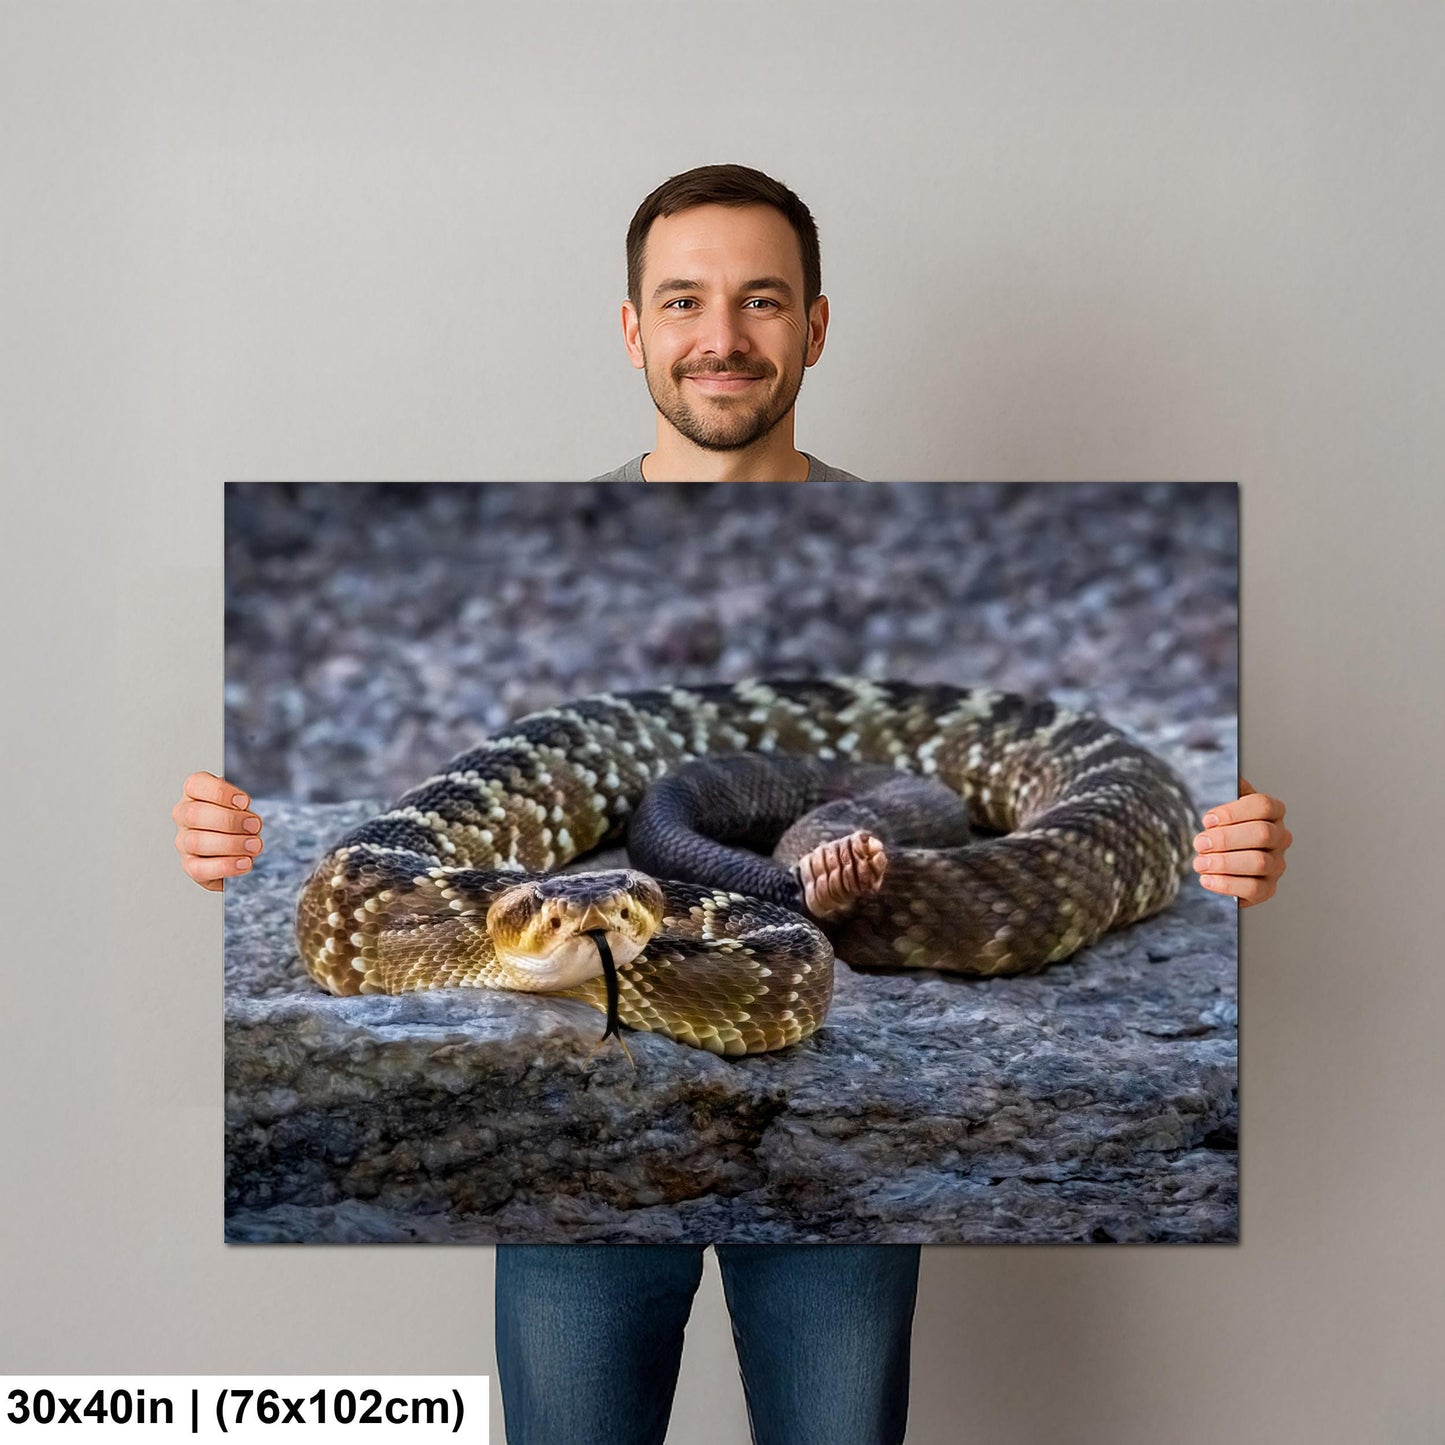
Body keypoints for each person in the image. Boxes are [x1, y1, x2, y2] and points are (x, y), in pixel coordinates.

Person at [174, 165, 1292, 1445]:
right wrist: (219, 842)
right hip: (563, 1186)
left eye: (760, 301)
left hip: (833, 1186)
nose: (720, 337)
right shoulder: (577, 537)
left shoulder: (895, 537)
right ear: (632, 325)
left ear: (814, 325)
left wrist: (1221, 844)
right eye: (684, 301)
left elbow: (1186, 823)